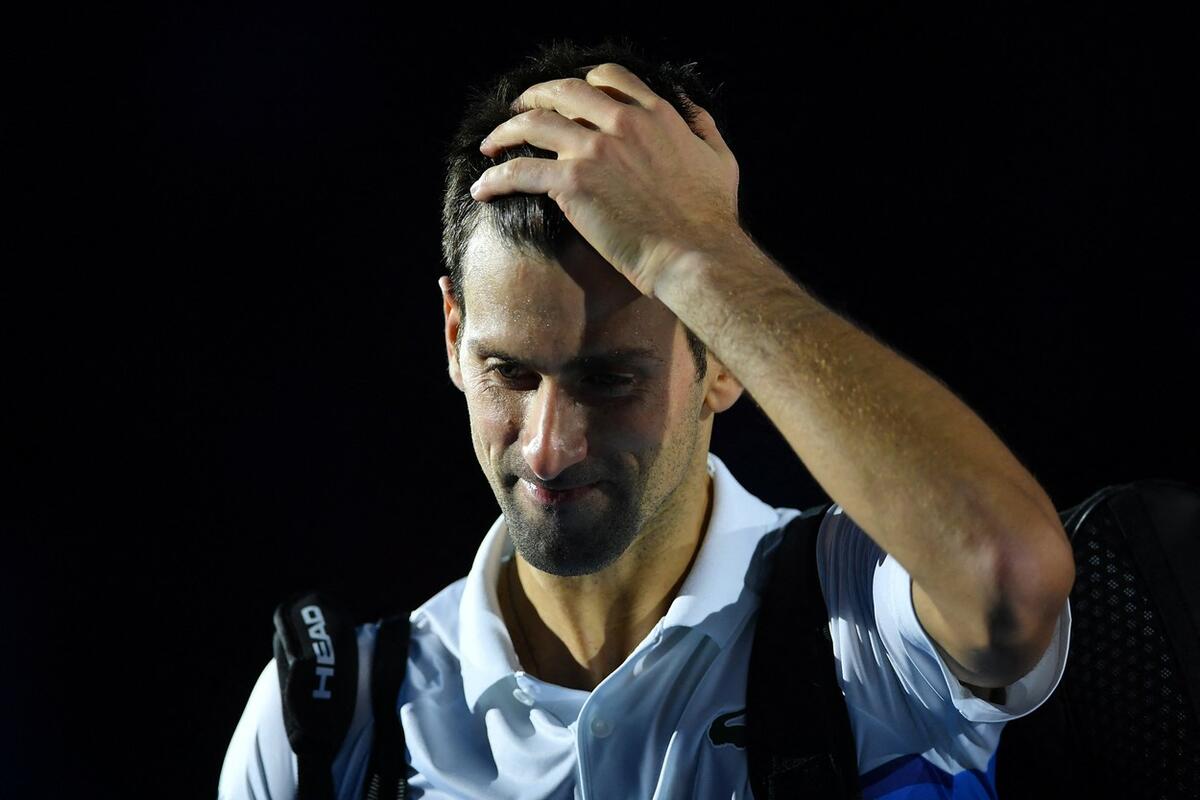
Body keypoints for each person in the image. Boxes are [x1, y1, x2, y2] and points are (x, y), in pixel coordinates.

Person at [219, 37, 1074, 799]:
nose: (548, 448)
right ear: (452, 335)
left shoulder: (858, 624)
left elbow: (1010, 576)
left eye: (609, 379)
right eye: (509, 372)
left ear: (724, 359)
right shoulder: (324, 729)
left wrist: (703, 254)